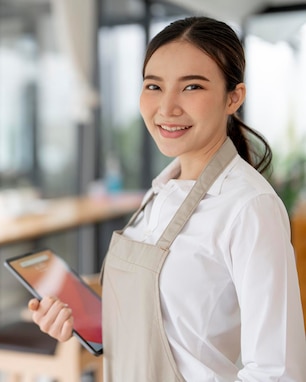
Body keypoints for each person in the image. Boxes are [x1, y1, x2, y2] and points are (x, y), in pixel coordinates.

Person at [28, 16, 306, 381]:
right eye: (154, 86)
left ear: (233, 97)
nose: (167, 107)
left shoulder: (249, 207)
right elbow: (162, 322)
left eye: (191, 87)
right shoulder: (160, 191)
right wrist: (76, 318)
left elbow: (277, 371)